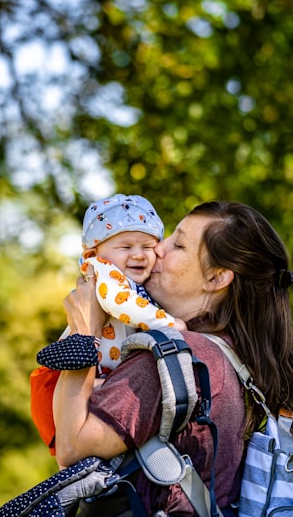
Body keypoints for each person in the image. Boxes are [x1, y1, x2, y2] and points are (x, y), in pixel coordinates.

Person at [51, 200, 293, 517]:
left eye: (176, 244)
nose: (155, 252)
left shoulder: (172, 359)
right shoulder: (245, 363)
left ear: (217, 277)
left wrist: (82, 336)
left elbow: (72, 447)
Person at [30, 193, 183, 455]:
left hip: (96, 374)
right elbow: (120, 303)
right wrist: (169, 324)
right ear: (93, 252)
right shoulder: (103, 272)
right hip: (65, 378)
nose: (139, 255)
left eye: (147, 247)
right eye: (126, 247)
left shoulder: (132, 281)